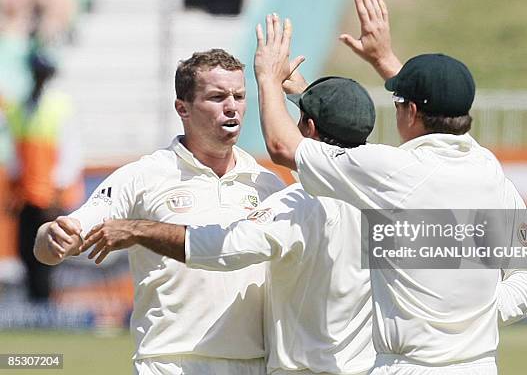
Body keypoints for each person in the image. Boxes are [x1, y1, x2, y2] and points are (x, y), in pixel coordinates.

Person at [251, 0, 527, 375]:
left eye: (398, 102)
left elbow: (282, 146)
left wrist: (268, 79)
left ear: (411, 110)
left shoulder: (392, 171)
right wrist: (476, 316)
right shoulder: (488, 168)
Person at [77, 74, 378, 375]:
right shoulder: (389, 202)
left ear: (308, 128)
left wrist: (138, 229)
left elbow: (222, 249)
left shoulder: (296, 204)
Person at [34, 49, 285, 375]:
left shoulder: (267, 184)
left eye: (238, 96)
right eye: (217, 96)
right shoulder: (144, 175)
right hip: (168, 362)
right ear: (183, 108)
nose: (232, 107)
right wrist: (49, 237)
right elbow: (65, 235)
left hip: (253, 363)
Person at [5, 49, 83, 302]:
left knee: (49, 253)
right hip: (27, 194)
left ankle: (46, 305)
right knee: (25, 251)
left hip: (50, 196)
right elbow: (17, 153)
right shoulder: (20, 107)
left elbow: (70, 152)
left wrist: (58, 193)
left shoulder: (58, 105)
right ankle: (35, 304)